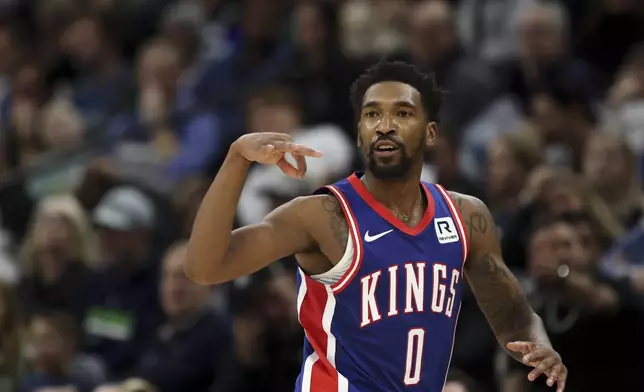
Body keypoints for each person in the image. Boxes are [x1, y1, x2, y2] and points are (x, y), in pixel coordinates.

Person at [186, 61, 567, 392]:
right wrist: (237, 160)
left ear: (430, 133)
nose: (385, 125)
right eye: (372, 115)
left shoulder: (467, 216)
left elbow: (512, 314)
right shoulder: (323, 214)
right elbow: (206, 267)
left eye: (402, 113)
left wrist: (540, 345)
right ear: (359, 133)